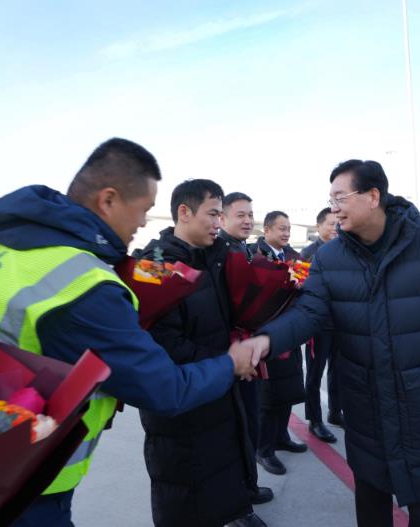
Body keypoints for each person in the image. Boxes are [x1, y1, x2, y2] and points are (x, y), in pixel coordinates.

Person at [0, 138, 257, 527]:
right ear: (108, 200)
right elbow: (164, 387)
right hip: (22, 475)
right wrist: (230, 363)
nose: (143, 223)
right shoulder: (87, 279)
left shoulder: (7, 248)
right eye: (143, 210)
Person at [237, 160, 420, 527]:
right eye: (331, 200)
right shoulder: (330, 257)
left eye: (341, 198)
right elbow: (308, 312)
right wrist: (265, 341)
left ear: (373, 196)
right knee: (371, 497)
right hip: (365, 402)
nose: (334, 208)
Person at [138, 180, 266, 527]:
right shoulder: (153, 263)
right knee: (186, 492)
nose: (217, 223)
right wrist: (228, 362)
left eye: (220, 215)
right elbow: (162, 344)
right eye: (212, 214)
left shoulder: (217, 258)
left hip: (219, 389)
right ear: (184, 212)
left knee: (221, 476)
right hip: (183, 404)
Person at [219, 191, 275, 506]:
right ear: (222, 217)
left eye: (250, 214)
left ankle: (249, 486)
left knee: (251, 420)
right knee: (236, 428)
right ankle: (237, 502)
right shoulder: (218, 253)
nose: (248, 220)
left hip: (248, 346)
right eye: (240, 214)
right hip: (228, 354)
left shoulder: (246, 249)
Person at [250, 211, 307, 476]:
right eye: (281, 229)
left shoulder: (294, 257)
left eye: (288, 229)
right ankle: (264, 449)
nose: (286, 233)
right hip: (267, 333)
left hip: (291, 331)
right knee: (268, 396)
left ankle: (282, 436)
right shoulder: (255, 256)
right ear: (267, 230)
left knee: (289, 390)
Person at [301, 207, 343, 443]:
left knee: (339, 371)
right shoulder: (308, 254)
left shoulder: (344, 250)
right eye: (330, 223)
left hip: (341, 323)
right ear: (318, 227)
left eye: (338, 223)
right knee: (315, 375)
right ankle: (314, 420)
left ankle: (335, 412)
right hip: (318, 326)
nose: (336, 228)